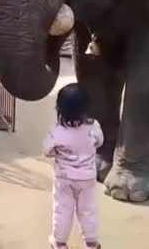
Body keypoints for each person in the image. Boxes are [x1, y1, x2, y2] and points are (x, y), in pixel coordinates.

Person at [43, 83, 104, 249]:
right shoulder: (94, 126)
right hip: (87, 178)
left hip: (64, 179)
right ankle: (92, 242)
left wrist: (60, 152)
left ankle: (60, 242)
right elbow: (99, 142)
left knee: (62, 210)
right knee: (88, 210)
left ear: (60, 108)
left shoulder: (56, 131)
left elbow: (47, 151)